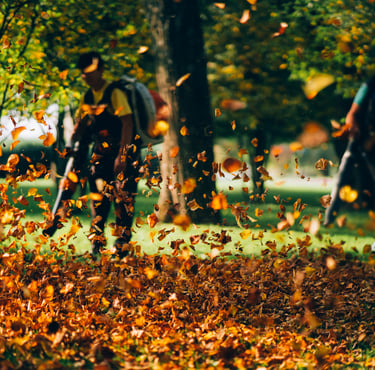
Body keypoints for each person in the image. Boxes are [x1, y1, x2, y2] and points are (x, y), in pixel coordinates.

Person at [44, 51, 140, 257]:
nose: (86, 76)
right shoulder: (87, 97)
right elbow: (80, 124)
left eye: (90, 72)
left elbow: (128, 123)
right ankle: (97, 244)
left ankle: (122, 245)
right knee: (98, 200)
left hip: (123, 153)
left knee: (122, 199)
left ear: (101, 70)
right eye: (83, 73)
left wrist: (122, 157)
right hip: (101, 155)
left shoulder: (114, 93)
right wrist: (71, 143)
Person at [324, 76, 375, 226]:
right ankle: (329, 217)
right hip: (360, 137)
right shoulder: (370, 84)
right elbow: (352, 114)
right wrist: (354, 129)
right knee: (343, 175)